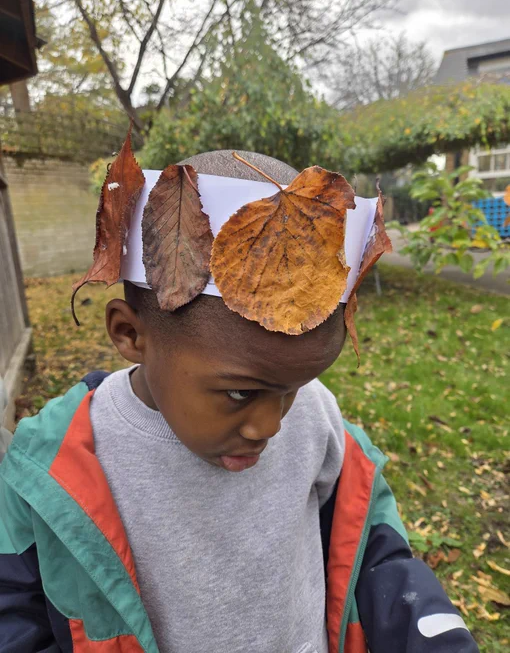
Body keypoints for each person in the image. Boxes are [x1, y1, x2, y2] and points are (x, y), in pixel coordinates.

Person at [0, 148, 479, 653]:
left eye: (293, 389)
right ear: (130, 334)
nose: (270, 425)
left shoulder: (316, 421)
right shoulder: (49, 472)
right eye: (239, 393)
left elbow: (375, 553)